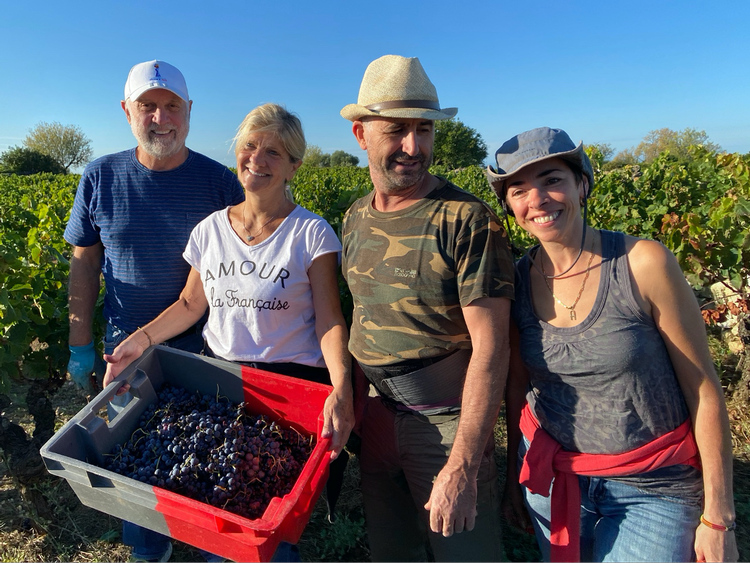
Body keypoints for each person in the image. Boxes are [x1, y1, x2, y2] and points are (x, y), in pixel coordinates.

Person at [103, 103, 355, 562]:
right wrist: (137, 342)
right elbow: (189, 304)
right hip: (223, 382)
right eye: (250, 147)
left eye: (274, 152)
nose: (257, 159)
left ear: (294, 165)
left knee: (267, 514)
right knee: (223, 506)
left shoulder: (312, 234)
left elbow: (330, 319)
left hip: (289, 388)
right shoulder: (209, 230)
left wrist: (342, 388)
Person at [488, 127, 739, 563]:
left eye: (552, 180)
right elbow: (519, 389)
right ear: (509, 206)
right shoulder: (515, 281)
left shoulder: (643, 263)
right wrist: (515, 475)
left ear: (582, 184)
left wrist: (718, 515)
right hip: (556, 481)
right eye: (519, 190)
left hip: (654, 488)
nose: (538, 200)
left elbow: (703, 389)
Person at [64, 59, 244, 563]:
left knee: (205, 451)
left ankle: (212, 542)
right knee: (132, 459)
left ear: (189, 112)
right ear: (127, 111)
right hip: (125, 353)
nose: (160, 118)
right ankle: (149, 546)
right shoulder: (99, 176)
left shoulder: (219, 183)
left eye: (171, 107)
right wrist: (80, 342)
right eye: (148, 106)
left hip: (204, 352)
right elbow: (83, 264)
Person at [339, 55, 515, 562]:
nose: (414, 147)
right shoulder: (355, 217)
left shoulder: (465, 219)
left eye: (425, 129)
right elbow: (361, 317)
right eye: (397, 130)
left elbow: (492, 348)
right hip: (377, 417)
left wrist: (462, 462)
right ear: (361, 135)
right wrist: (353, 405)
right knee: (394, 552)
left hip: (445, 426)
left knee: (467, 556)